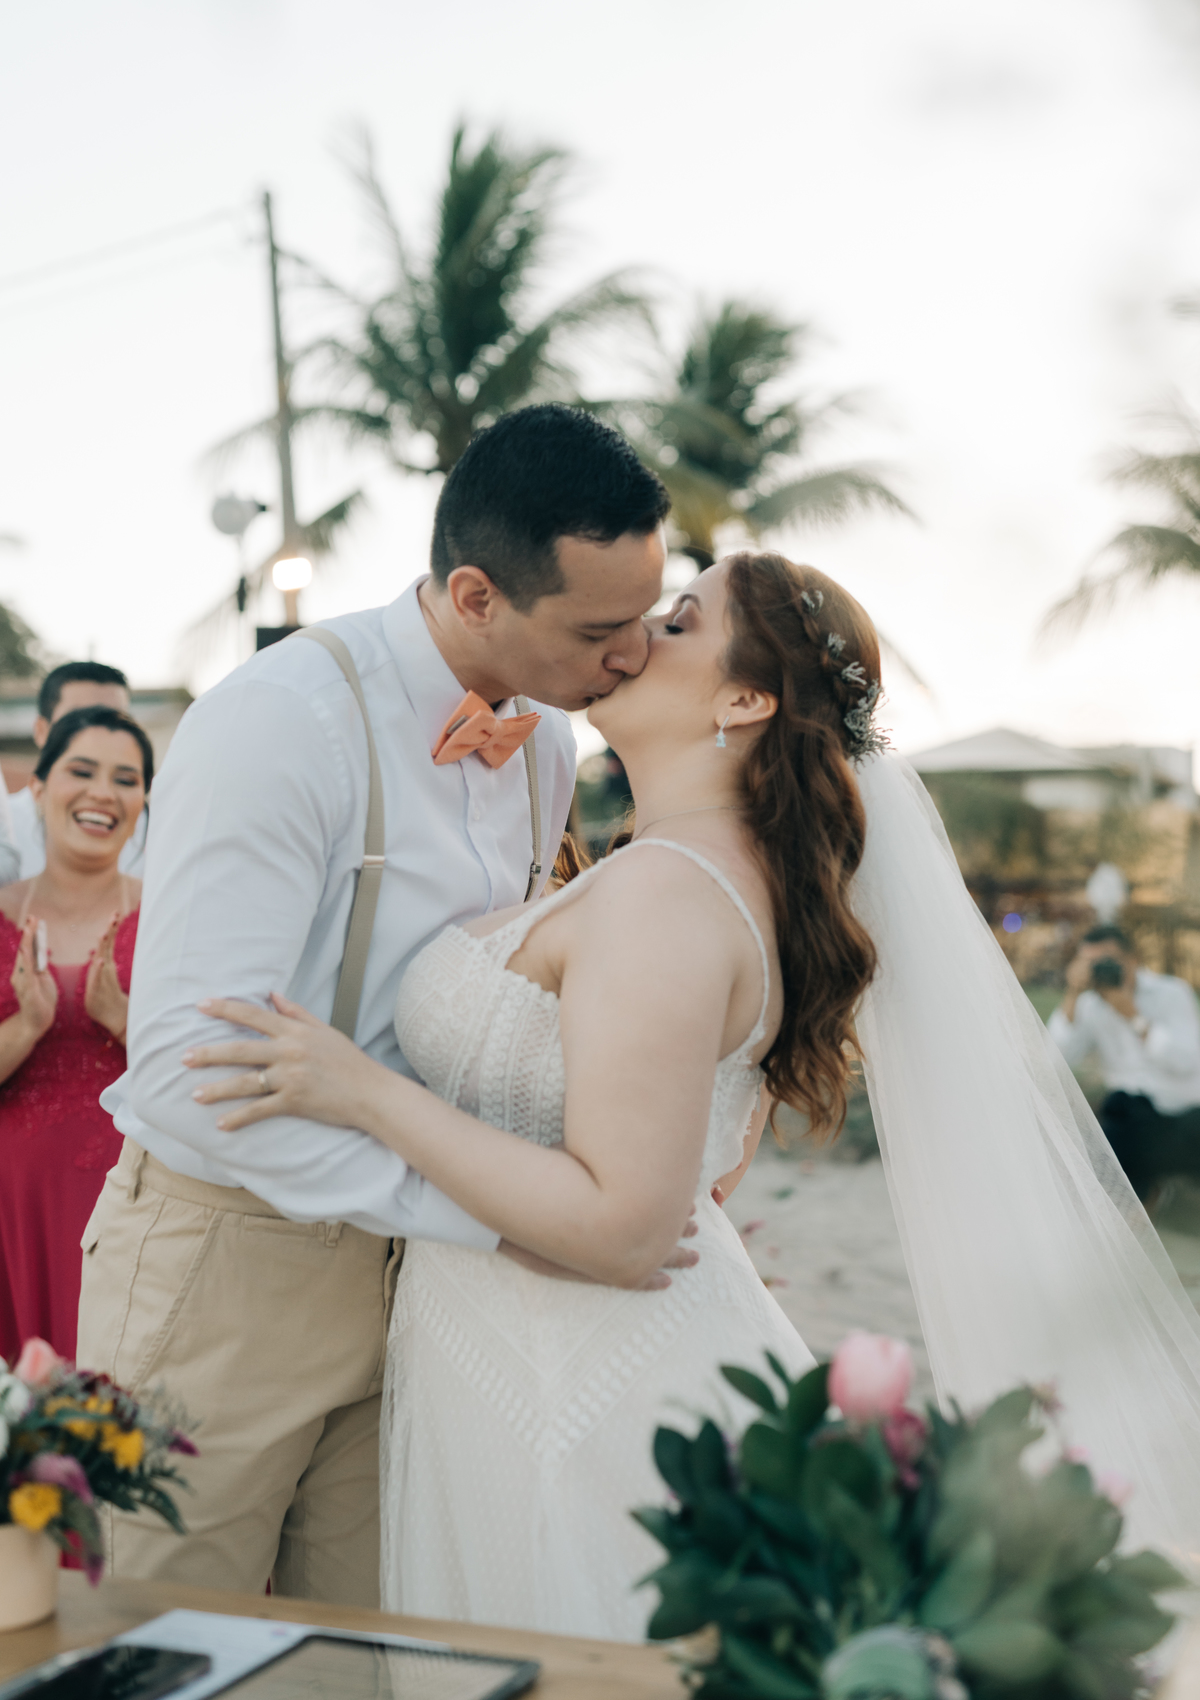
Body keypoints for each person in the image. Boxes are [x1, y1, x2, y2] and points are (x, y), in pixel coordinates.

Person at [193, 551, 1200, 1637]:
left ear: (744, 699)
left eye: (675, 623)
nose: (630, 640)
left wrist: (363, 1093)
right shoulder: (683, 871)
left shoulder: (670, 894)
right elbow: (699, 1154)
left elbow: (627, 1227)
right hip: (521, 1351)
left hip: (579, 1383)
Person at [75, 404, 676, 1606]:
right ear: (474, 596)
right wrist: (491, 1217)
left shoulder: (548, 749)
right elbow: (196, 1067)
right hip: (222, 1263)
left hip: (423, 1292)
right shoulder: (278, 724)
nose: (633, 656)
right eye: (601, 630)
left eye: (648, 620)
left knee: (364, 1657)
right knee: (156, 1649)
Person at [0, 706, 151, 1363]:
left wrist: (124, 1022)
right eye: (81, 770)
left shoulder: (173, 914)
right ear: (39, 786)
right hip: (12, 1202)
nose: (102, 793)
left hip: (134, 1198)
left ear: (144, 801)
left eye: (126, 778)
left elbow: (213, 1070)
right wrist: (29, 1025)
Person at [1049, 924, 1200, 1199]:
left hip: (1180, 1111)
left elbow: (1186, 1061)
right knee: (1110, 1138)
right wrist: (1072, 995)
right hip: (1128, 1114)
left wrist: (1132, 1015)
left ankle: (1145, 1195)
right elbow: (1055, 1058)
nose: (1099, 969)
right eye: (1089, 963)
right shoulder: (1089, 1003)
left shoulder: (1171, 992)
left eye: (1105, 961)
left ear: (1132, 959)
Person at [9, 663, 149, 879]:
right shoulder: (5, 827)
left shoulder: (154, 835)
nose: (98, 734)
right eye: (77, 721)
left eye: (114, 721)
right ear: (40, 730)